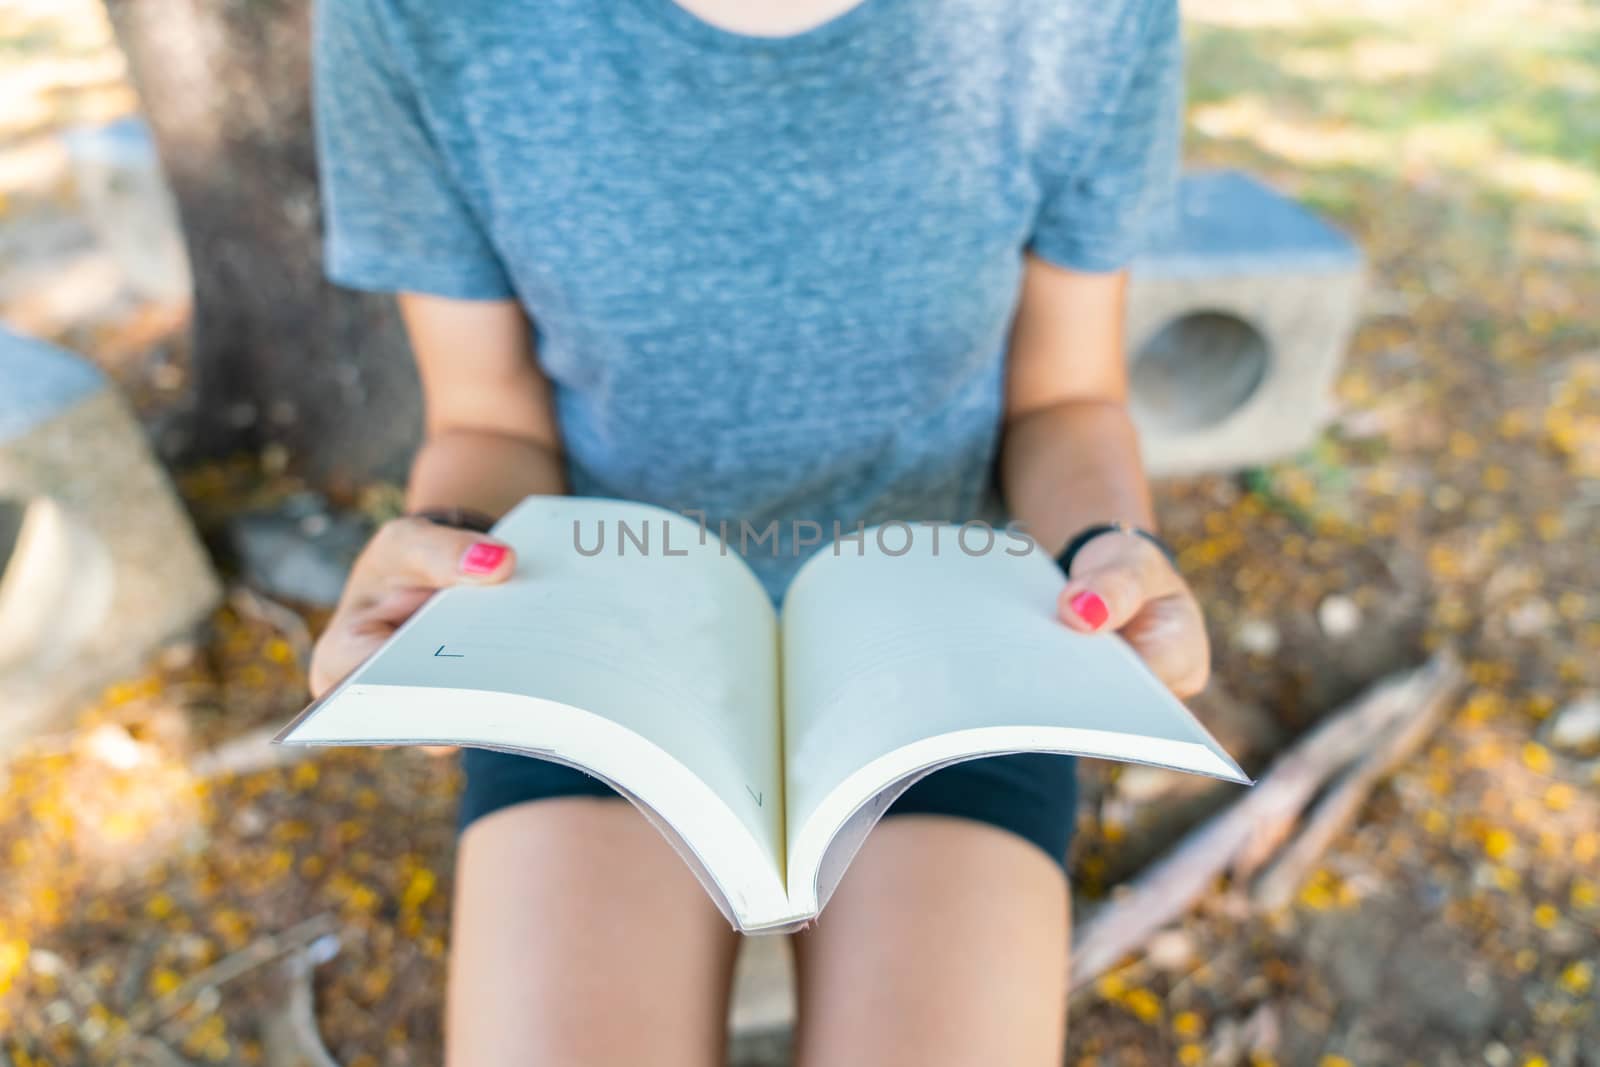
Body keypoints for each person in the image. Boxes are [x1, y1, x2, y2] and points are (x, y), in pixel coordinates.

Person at [306, 0, 1209, 1062]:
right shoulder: (413, 17)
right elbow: (485, 415)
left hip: (948, 649)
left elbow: (1066, 397)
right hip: (598, 638)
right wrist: (448, 550)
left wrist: (1106, 555)